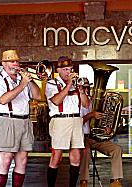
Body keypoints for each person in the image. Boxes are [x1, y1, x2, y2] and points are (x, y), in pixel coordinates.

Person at [0, 49, 41, 187]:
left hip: (24, 121)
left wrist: (29, 81)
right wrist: (23, 84)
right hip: (7, 120)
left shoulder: (21, 79)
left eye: (17, 61)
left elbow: (37, 96)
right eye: (11, 61)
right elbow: (3, 100)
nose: (15, 64)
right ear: (3, 63)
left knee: (23, 160)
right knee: (6, 159)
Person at [45, 56, 89, 187]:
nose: (69, 72)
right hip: (60, 120)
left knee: (76, 157)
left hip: (76, 119)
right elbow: (56, 101)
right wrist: (69, 84)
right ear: (58, 70)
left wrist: (81, 91)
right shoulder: (52, 83)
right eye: (65, 69)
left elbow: (86, 104)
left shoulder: (78, 84)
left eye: (70, 69)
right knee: (56, 157)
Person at [79, 77, 124, 187]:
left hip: (98, 138)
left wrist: (108, 128)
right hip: (84, 137)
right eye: (83, 87)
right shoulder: (76, 102)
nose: (86, 89)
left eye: (87, 87)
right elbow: (77, 122)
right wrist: (91, 115)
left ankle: (115, 180)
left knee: (116, 149)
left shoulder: (97, 101)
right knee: (86, 151)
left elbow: (106, 118)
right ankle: (83, 181)